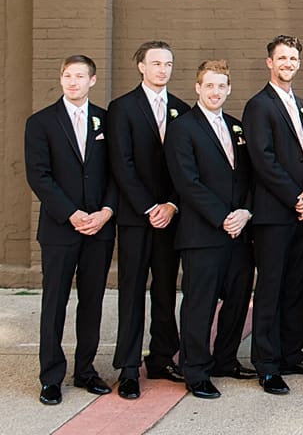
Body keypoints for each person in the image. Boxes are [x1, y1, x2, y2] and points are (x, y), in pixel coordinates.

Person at [25, 54, 118, 405]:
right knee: (55, 303)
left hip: (100, 228)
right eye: (67, 75)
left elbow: (115, 173)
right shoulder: (40, 122)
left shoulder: (106, 121)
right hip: (60, 229)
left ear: (92, 80)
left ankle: (85, 371)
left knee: (92, 301)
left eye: (80, 76)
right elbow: (39, 176)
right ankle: (50, 376)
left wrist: (106, 212)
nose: (73, 81)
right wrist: (72, 213)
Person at [165, 60, 254, 400]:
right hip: (203, 233)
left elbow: (249, 177)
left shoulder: (236, 127)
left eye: (222, 86)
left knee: (237, 301)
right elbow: (187, 182)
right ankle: (196, 370)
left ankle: (225, 360)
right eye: (210, 86)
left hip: (239, 232)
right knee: (200, 305)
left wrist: (244, 212)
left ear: (229, 89)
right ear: (198, 88)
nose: (216, 92)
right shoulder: (183, 128)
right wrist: (223, 217)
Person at [108, 41, 188, 397]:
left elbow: (183, 167)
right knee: (132, 291)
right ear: (141, 66)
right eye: (155, 63)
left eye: (168, 64)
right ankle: (128, 366)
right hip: (136, 217)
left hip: (170, 217)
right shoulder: (122, 108)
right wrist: (148, 207)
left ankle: (160, 358)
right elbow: (121, 164)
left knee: (165, 290)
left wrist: (170, 205)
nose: (162, 70)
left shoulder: (181, 110)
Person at [243, 35, 303, 394]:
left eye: (293, 58)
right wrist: (294, 196)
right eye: (282, 58)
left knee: (296, 286)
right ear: (269, 63)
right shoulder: (259, 106)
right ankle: (267, 362)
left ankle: (292, 352)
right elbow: (263, 159)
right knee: (271, 288)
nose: (288, 63)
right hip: (275, 213)